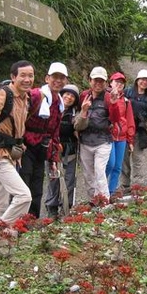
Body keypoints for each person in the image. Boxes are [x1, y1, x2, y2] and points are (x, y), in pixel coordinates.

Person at [0, 60, 34, 248]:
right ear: (13, 77)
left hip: (9, 155)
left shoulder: (25, 98)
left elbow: (16, 126)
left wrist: (19, 143)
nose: (27, 79)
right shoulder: (3, 94)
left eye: (30, 75)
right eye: (23, 75)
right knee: (24, 196)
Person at [20, 62, 68, 219]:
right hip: (25, 146)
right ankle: (18, 223)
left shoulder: (59, 102)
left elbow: (54, 131)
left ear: (66, 81)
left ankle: (31, 222)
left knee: (37, 187)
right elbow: (18, 115)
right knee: (23, 186)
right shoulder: (35, 95)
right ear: (47, 78)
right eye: (55, 77)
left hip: (41, 148)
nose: (58, 81)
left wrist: (53, 156)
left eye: (62, 78)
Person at [74, 66, 120, 201]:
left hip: (103, 140)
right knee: (88, 175)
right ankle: (93, 201)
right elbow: (77, 115)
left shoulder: (108, 97)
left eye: (101, 81)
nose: (98, 84)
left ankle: (104, 201)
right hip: (85, 140)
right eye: (95, 80)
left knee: (100, 172)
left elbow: (116, 120)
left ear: (106, 83)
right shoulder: (83, 95)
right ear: (90, 81)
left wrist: (114, 104)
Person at [120, 69, 147, 192]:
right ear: (137, 80)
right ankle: (125, 185)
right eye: (142, 79)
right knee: (125, 159)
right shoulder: (127, 92)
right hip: (125, 131)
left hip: (139, 131)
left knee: (137, 158)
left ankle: (137, 185)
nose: (144, 82)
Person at [46, 84, 80, 219]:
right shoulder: (51, 109)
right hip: (53, 151)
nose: (69, 97)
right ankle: (51, 207)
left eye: (72, 96)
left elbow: (79, 127)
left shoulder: (74, 114)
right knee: (53, 179)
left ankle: (66, 207)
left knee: (69, 180)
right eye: (66, 94)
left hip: (70, 151)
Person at [105, 72, 135, 196]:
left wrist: (130, 139)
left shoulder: (126, 100)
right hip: (109, 136)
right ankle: (100, 189)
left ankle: (111, 192)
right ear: (110, 83)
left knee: (117, 167)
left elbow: (130, 120)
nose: (119, 84)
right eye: (117, 81)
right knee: (110, 164)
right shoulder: (106, 96)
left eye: (122, 82)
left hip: (122, 137)